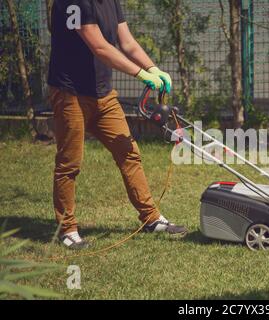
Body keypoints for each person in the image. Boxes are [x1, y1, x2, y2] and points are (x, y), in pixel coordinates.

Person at [47, 0, 187, 249]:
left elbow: (127, 42)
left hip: (103, 93)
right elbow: (99, 47)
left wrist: (153, 68)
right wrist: (141, 74)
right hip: (71, 93)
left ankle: (151, 219)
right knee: (70, 163)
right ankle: (67, 229)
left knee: (129, 152)